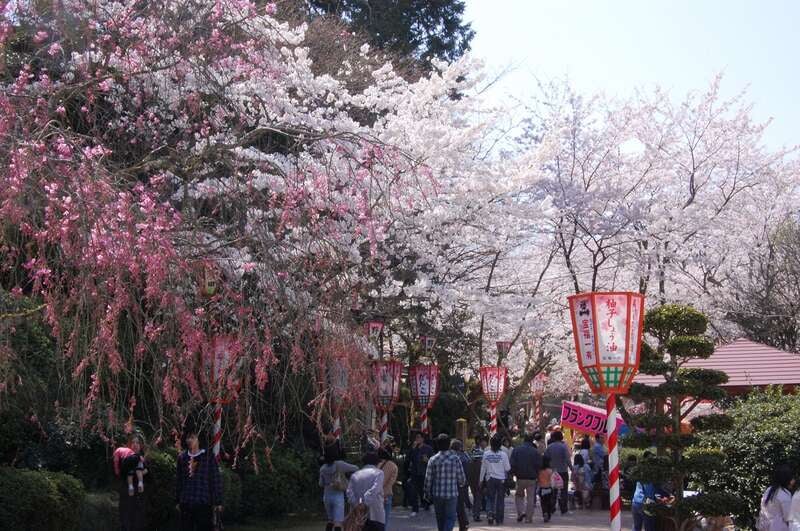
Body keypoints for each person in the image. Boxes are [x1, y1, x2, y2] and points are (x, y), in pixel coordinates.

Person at [175, 428, 223, 531]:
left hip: (203, 502)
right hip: (186, 502)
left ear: (199, 439)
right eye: (188, 437)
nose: (190, 440)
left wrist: (217, 501)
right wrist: (178, 500)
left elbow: (215, 479)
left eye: (193, 437)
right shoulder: (182, 457)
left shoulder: (208, 457)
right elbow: (179, 480)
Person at [424, 433, 467, 531]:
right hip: (452, 494)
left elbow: (428, 479)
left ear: (438, 445)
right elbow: (462, 479)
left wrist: (426, 493)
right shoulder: (456, 459)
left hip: (437, 495)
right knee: (450, 518)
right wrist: (461, 484)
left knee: (440, 519)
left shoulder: (432, 459)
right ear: (449, 445)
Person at [319, 447, 359, 531]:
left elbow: (321, 484)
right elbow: (355, 468)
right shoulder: (339, 464)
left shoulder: (322, 468)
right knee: (338, 522)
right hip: (338, 496)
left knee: (330, 520)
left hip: (326, 495)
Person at [116, 434, 148, 531]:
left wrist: (144, 472)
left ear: (141, 445)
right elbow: (123, 470)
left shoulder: (143, 459)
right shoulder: (126, 457)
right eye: (133, 442)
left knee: (138, 522)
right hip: (127, 494)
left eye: (137, 442)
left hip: (139, 496)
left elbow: (149, 474)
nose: (135, 444)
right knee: (126, 521)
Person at [347, 452, 386, 531]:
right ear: (376, 462)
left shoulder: (355, 474)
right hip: (375, 512)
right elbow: (375, 489)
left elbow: (349, 492)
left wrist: (356, 504)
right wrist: (365, 503)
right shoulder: (379, 473)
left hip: (357, 514)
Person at [479, 434, 510, 525]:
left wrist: (480, 480)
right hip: (501, 480)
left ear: (491, 444)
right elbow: (507, 468)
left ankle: (490, 513)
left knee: (490, 497)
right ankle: (499, 518)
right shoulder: (503, 455)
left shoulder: (486, 454)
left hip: (490, 479)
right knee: (500, 499)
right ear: (500, 445)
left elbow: (483, 468)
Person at [510, 432, 541, 523]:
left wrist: (513, 474)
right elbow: (539, 465)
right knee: (531, 498)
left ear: (524, 440)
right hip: (532, 478)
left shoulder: (516, 450)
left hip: (520, 477)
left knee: (519, 496)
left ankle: (520, 513)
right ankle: (528, 518)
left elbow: (512, 464)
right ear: (532, 441)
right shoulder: (535, 451)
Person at [544, 429, 572, 515]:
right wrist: (571, 468)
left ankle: (552, 507)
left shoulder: (549, 447)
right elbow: (567, 459)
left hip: (552, 471)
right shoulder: (564, 447)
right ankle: (563, 508)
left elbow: (545, 459)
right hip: (563, 471)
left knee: (553, 490)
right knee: (563, 491)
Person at [759, 464, 794, 531]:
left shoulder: (769, 490)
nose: (793, 481)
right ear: (786, 479)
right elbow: (789, 518)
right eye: (791, 479)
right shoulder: (784, 495)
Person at [407, 431, 434, 515]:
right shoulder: (413, 448)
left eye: (419, 437)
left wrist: (427, 460)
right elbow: (408, 459)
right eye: (416, 438)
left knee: (425, 490)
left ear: (422, 439)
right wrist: (412, 449)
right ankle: (415, 509)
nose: (417, 439)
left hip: (424, 472)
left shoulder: (428, 448)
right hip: (415, 472)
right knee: (413, 491)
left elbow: (433, 460)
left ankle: (427, 504)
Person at [450, 439, 472, 531]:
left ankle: (461, 524)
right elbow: (468, 467)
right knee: (460, 505)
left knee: (453, 505)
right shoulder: (464, 456)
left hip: (451, 483)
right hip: (462, 483)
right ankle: (464, 524)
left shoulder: (451, 456)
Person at [377, 445, 398, 531]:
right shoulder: (394, 466)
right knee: (384, 520)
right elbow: (391, 482)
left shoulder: (376, 464)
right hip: (387, 494)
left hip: (376, 494)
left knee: (376, 519)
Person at [467, 436, 487, 522]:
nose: (485, 443)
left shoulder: (473, 452)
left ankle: (476, 513)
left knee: (477, 497)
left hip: (473, 478)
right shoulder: (478, 452)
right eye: (484, 441)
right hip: (477, 478)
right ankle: (476, 515)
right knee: (478, 497)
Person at [538, 455, 554, 522]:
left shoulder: (539, 471)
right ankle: (548, 514)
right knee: (549, 502)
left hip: (542, 488)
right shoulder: (550, 471)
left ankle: (544, 512)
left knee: (543, 502)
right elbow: (553, 480)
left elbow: (537, 479)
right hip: (549, 488)